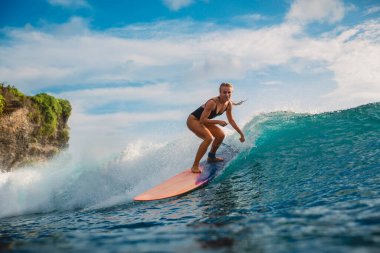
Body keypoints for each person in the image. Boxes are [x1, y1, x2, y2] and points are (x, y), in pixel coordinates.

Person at [187, 82, 245, 173]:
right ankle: (195, 166)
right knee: (208, 138)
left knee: (220, 135)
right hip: (193, 120)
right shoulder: (212, 102)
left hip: (205, 121)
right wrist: (218, 122)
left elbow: (231, 121)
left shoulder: (228, 104)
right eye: (224, 92)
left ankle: (211, 157)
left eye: (229, 92)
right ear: (220, 93)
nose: (227, 94)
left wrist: (241, 134)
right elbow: (202, 120)